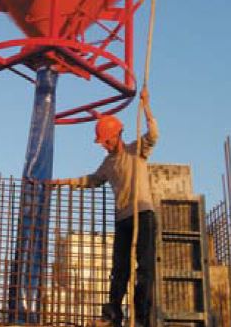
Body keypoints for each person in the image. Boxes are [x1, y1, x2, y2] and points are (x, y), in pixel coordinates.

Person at [50, 87, 158, 327]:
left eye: (105, 140)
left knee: (145, 270)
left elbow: (153, 135)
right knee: (119, 270)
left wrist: (147, 106)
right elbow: (92, 180)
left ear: (116, 136)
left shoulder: (135, 150)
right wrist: (64, 182)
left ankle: (142, 319)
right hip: (123, 219)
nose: (103, 145)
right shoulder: (108, 164)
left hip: (143, 214)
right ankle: (112, 317)